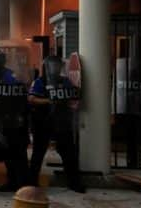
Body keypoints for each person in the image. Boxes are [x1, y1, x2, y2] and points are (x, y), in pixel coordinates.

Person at [28, 56, 85, 193]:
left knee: (69, 154)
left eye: (57, 65)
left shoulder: (66, 81)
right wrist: (49, 101)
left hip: (62, 122)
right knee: (38, 154)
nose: (55, 68)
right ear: (47, 67)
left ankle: (74, 182)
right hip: (43, 122)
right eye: (52, 66)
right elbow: (31, 98)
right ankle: (31, 183)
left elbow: (74, 96)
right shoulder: (40, 81)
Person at [0, 50, 29, 192]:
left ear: (1, 62)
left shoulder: (12, 77)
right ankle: (12, 181)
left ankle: (22, 184)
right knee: (7, 155)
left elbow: (20, 99)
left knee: (17, 155)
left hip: (12, 121)